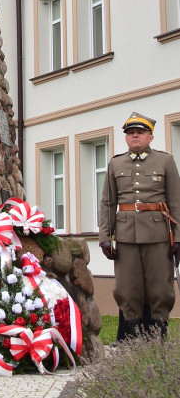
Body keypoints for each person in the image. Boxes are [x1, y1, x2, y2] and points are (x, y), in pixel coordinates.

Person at [99, 112, 180, 338]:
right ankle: (132, 341)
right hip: (126, 238)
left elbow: (176, 202)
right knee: (127, 289)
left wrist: (179, 238)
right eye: (130, 133)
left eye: (140, 132)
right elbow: (108, 203)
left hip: (159, 236)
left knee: (161, 290)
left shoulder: (165, 161)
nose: (135, 136)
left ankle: (158, 338)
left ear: (150, 137)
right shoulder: (115, 163)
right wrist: (105, 237)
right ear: (125, 138)